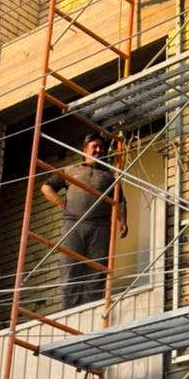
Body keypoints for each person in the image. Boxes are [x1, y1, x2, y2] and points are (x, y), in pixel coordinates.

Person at [41, 132, 128, 310]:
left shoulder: (109, 176)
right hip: (74, 224)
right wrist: (60, 203)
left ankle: (91, 311)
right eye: (94, 146)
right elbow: (46, 187)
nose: (98, 150)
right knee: (70, 268)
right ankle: (69, 312)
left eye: (101, 147)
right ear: (85, 149)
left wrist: (123, 221)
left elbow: (120, 201)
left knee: (96, 272)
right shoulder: (71, 170)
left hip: (100, 227)